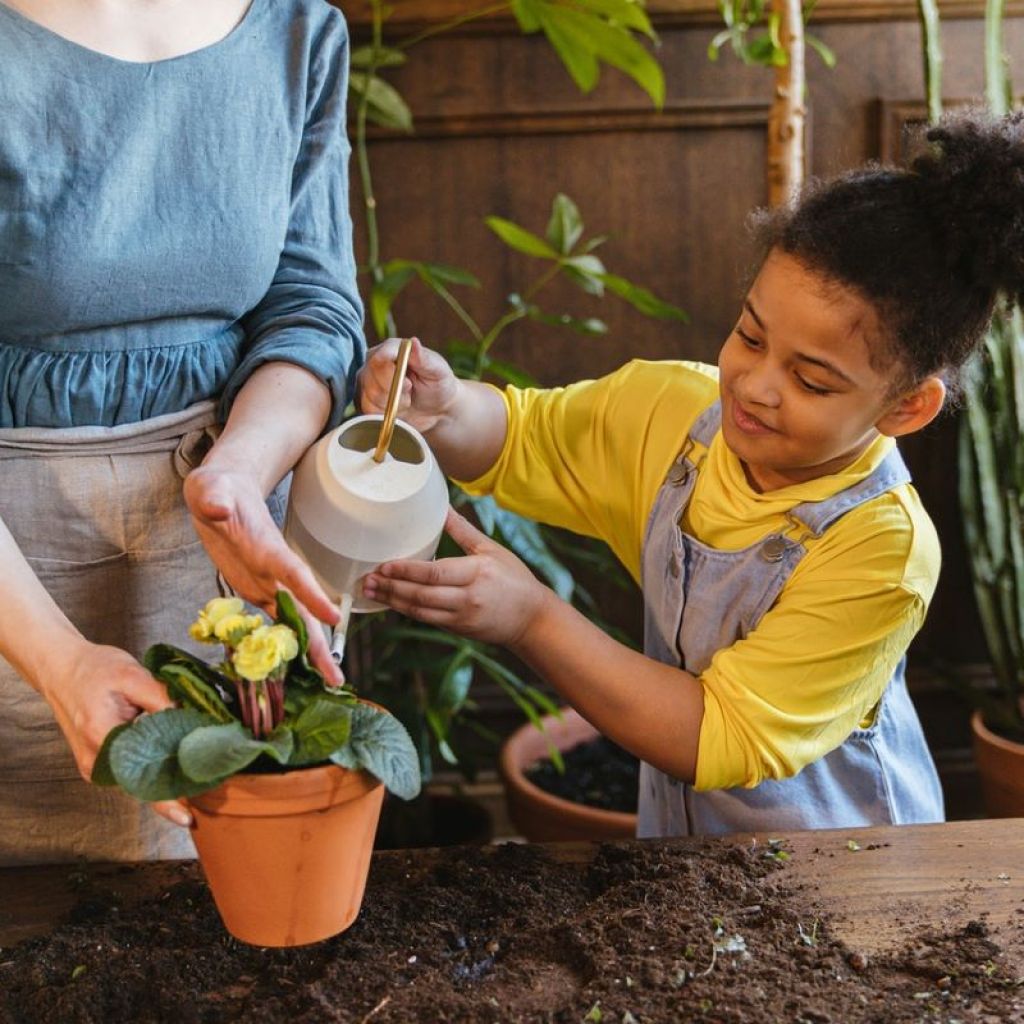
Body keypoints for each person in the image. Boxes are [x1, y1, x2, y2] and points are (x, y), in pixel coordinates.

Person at [357, 110, 1024, 836]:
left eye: (812, 380)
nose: (755, 386)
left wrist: (532, 617)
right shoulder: (674, 409)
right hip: (688, 855)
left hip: (847, 877)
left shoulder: (882, 550)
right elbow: (520, 439)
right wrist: (445, 407)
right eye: (750, 335)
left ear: (907, 406)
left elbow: (720, 736)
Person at [0, 0, 364, 864]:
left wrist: (237, 472)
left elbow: (309, 306)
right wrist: (56, 659)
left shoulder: (297, 31)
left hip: (222, 550)